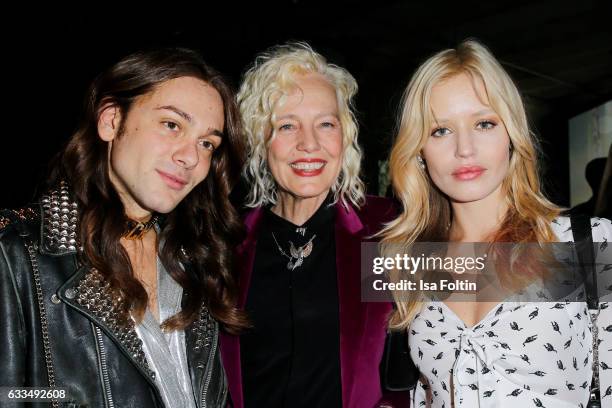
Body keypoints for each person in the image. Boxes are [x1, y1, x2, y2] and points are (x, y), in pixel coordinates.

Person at [0, 47, 246, 407]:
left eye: (207, 143)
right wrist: (67, 397)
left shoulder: (194, 259)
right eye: (171, 125)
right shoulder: (17, 254)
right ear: (111, 121)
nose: (191, 157)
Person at [381, 39, 612, 407]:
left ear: (511, 135)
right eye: (440, 131)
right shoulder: (409, 262)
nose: (465, 149)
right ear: (419, 153)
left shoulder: (588, 243)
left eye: (484, 123)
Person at [219, 42, 406, 407]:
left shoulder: (382, 230)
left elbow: (513, 283)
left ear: (344, 135)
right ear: (261, 140)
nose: (309, 144)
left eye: (325, 124)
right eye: (287, 125)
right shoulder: (229, 245)